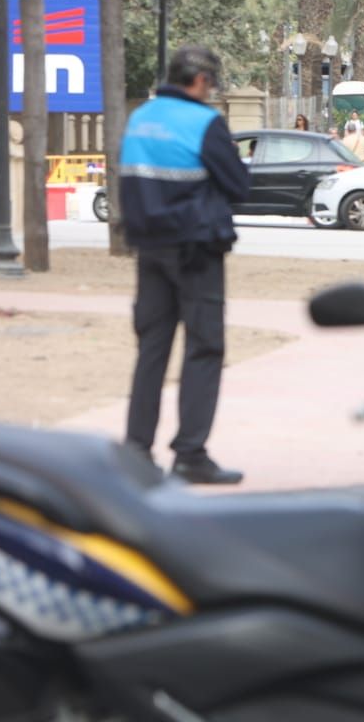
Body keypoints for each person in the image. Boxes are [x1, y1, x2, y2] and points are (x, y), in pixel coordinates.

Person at [119, 46, 249, 485]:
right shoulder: (204, 123)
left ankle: (137, 450)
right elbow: (237, 184)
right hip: (196, 250)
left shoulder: (140, 119)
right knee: (204, 348)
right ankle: (190, 454)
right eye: (210, 83)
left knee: (152, 350)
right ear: (200, 80)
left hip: (150, 251)